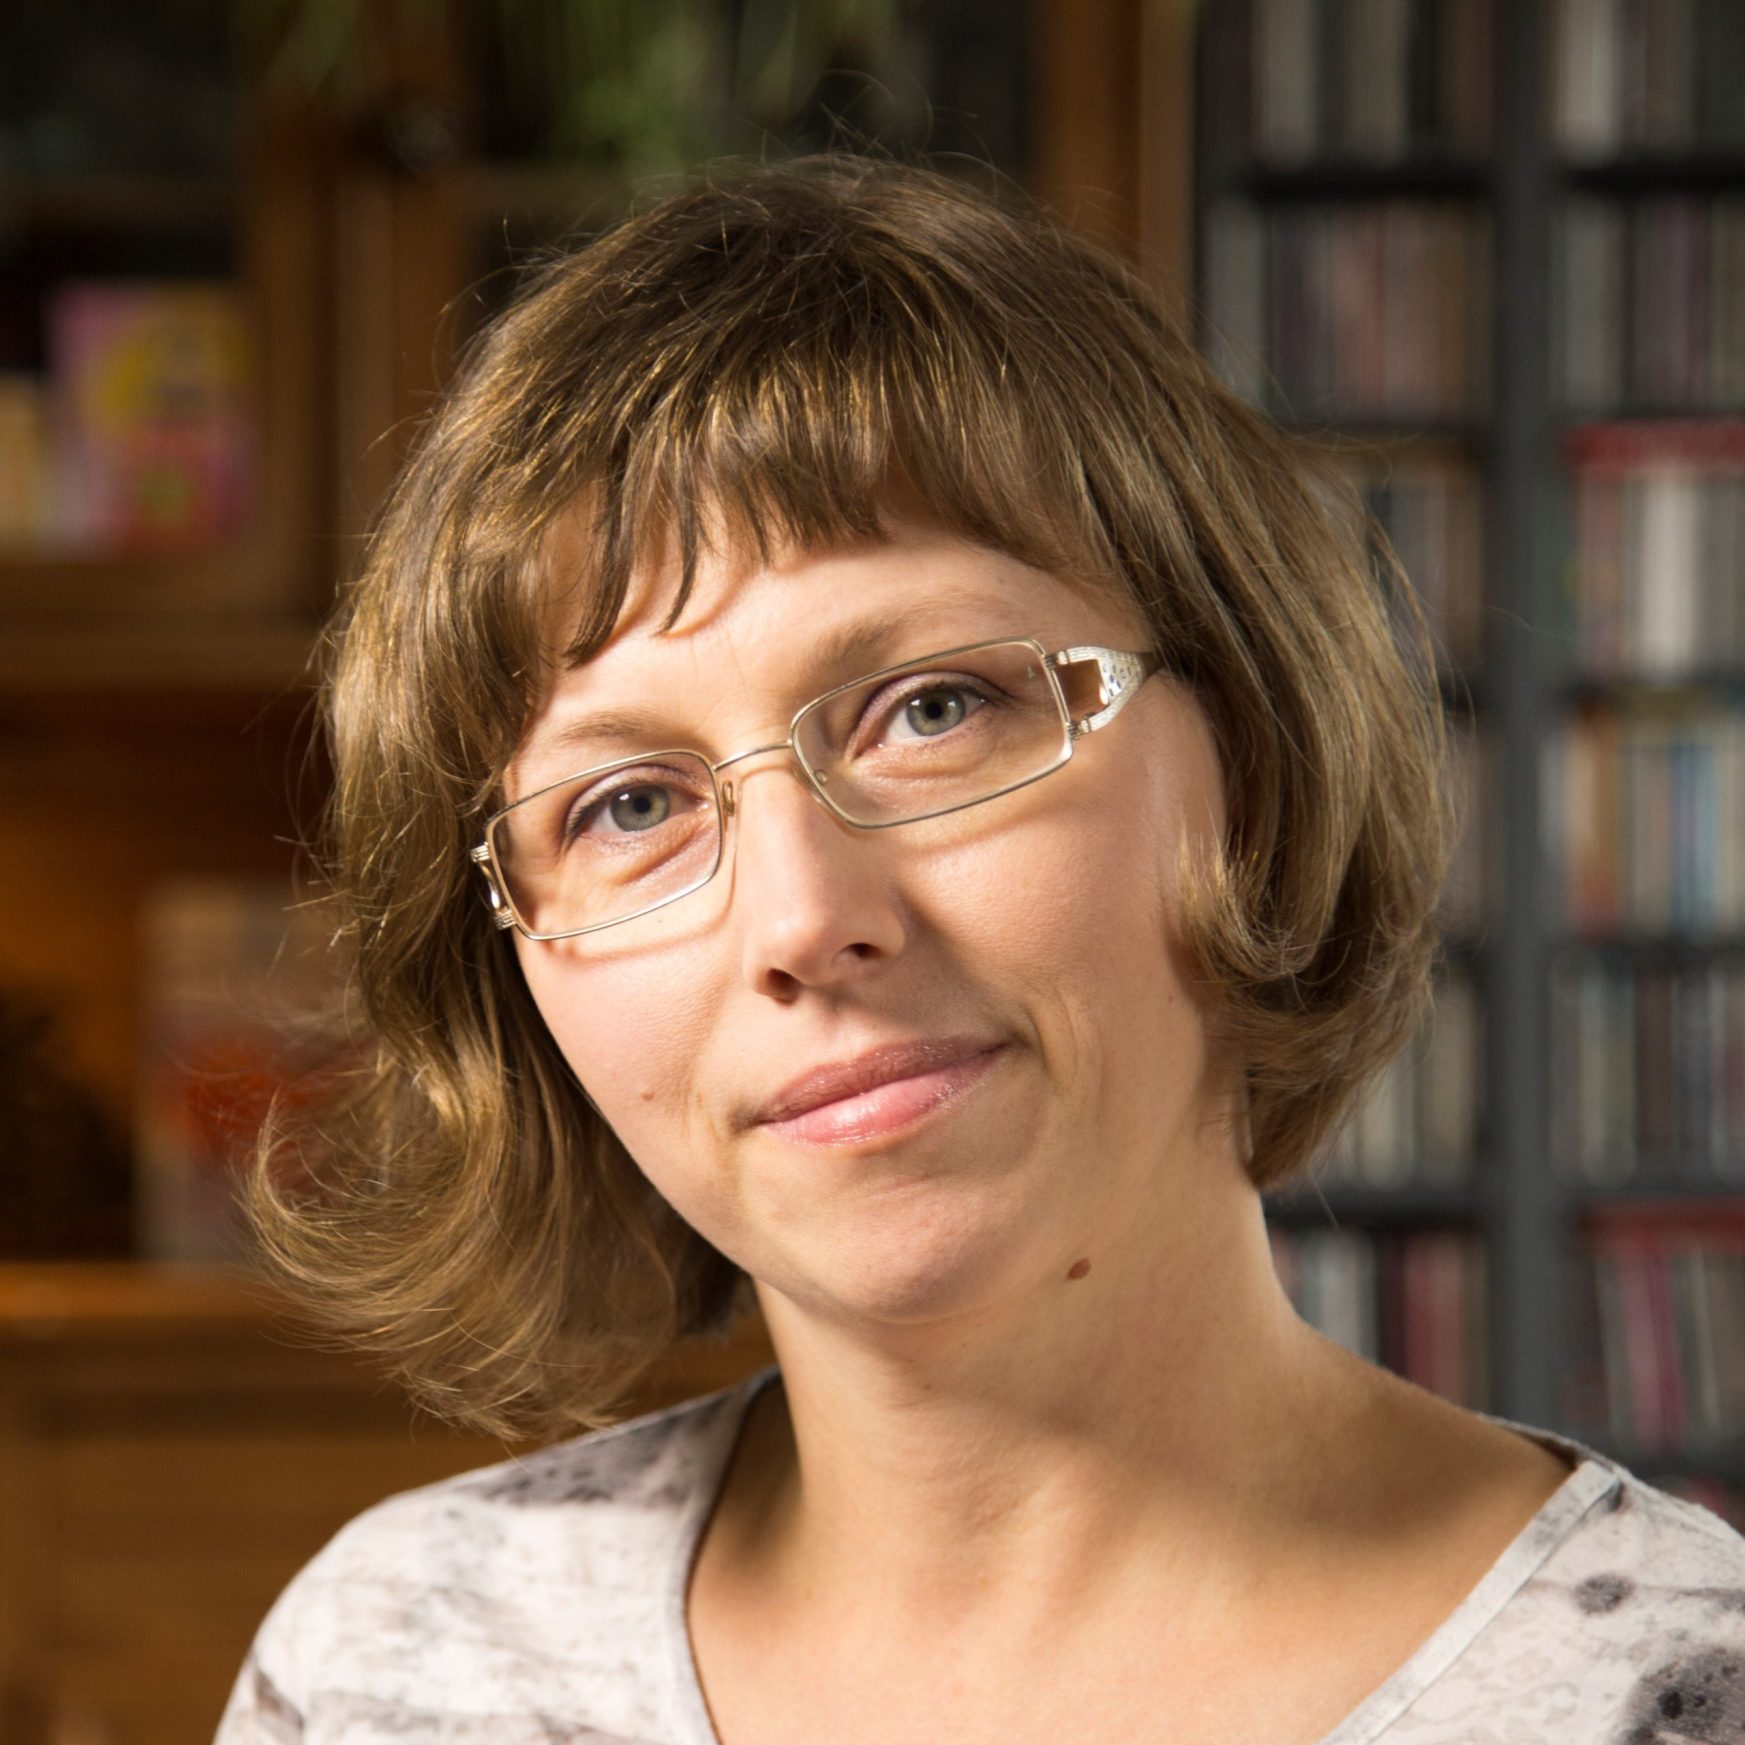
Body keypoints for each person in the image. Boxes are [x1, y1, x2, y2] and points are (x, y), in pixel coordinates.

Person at [216, 153, 1745, 1745]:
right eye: (628, 805)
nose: (803, 918)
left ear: (1251, 746)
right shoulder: (382, 1670)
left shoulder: (1678, 1692)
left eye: (933, 708)